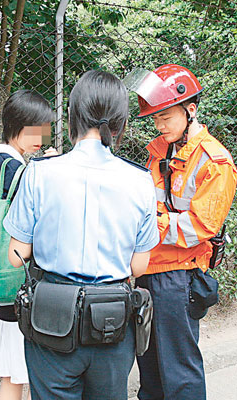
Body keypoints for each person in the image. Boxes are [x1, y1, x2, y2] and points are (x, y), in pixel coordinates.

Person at [3, 69, 160, 400]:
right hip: (112, 324)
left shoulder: (38, 173)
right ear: (120, 124)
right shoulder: (141, 181)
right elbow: (139, 267)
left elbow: (16, 255)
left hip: (52, 322)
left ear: (72, 116)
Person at [126, 64, 237, 400]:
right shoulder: (159, 149)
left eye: (167, 118)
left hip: (180, 276)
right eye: (156, 119)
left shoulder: (215, 162)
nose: (160, 126)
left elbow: (199, 227)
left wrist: (146, 225)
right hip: (147, 269)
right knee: (149, 367)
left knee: (180, 371)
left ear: (190, 110)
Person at [0, 89, 54, 400]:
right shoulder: (12, 168)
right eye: (34, 129)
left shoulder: (0, 163)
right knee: (27, 369)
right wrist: (48, 170)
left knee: (13, 374)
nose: (41, 136)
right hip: (18, 282)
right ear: (16, 125)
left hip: (4, 282)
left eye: (44, 129)